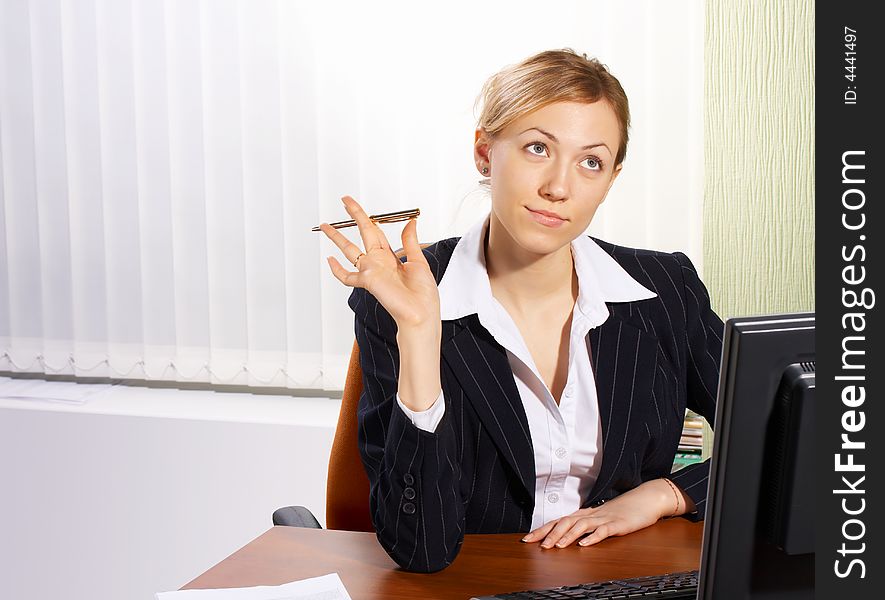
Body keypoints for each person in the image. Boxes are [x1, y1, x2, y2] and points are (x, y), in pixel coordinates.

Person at [318, 49, 723, 573]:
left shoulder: (665, 290)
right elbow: (421, 548)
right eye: (537, 148)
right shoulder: (401, 296)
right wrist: (420, 331)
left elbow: (791, 438)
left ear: (612, 179)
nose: (559, 187)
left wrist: (666, 495)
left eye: (591, 162)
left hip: (621, 576)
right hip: (478, 580)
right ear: (485, 153)